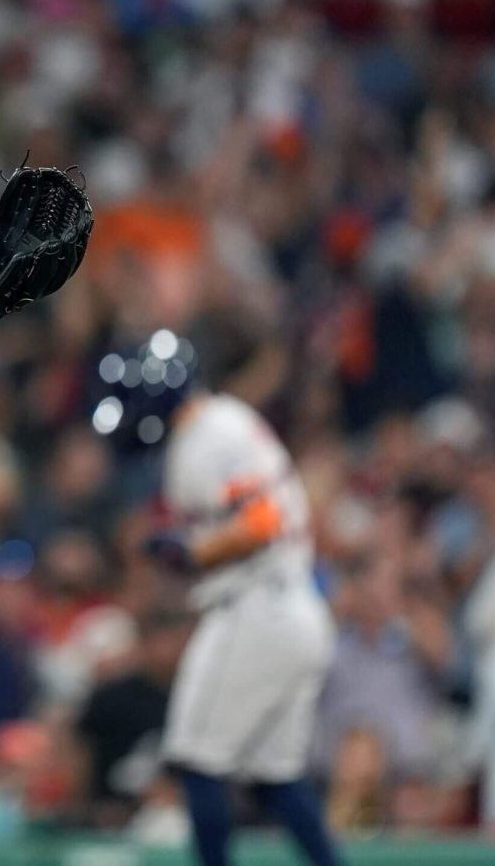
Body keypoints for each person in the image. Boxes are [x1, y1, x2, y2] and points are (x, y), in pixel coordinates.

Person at [123, 332, 341, 866]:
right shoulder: (225, 422)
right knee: (274, 777)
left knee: (197, 759)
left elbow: (263, 521)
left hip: (256, 608)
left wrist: (191, 551)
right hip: (293, 607)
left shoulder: (208, 437)